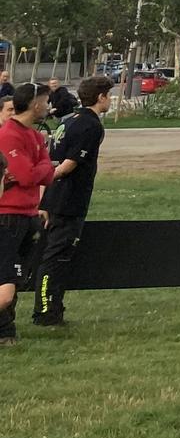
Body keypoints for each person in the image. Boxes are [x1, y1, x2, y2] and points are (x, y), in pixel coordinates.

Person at [29, 75, 109, 328]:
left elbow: (51, 158)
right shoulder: (91, 125)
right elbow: (67, 165)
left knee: (56, 255)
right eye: (108, 95)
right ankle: (46, 310)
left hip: (55, 197)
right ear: (100, 97)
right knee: (56, 257)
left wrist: (45, 197)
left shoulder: (68, 121)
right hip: (69, 198)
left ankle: (52, 306)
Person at [0, 84, 53, 344]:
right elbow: (27, 174)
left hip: (29, 213)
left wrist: (41, 167)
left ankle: (6, 330)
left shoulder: (34, 136)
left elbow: (48, 173)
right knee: (6, 281)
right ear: (35, 104)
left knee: (17, 278)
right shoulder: (9, 134)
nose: (48, 106)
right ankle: (5, 331)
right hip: (8, 215)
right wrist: (42, 166)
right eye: (45, 101)